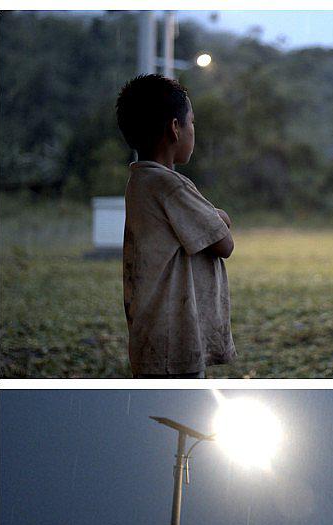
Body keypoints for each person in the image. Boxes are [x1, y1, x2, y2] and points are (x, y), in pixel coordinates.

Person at [116, 74, 235, 379]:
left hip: (151, 335)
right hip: (174, 339)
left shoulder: (140, 181)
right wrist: (218, 213)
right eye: (191, 123)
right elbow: (224, 243)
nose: (193, 131)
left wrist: (211, 215)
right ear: (174, 128)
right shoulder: (170, 186)